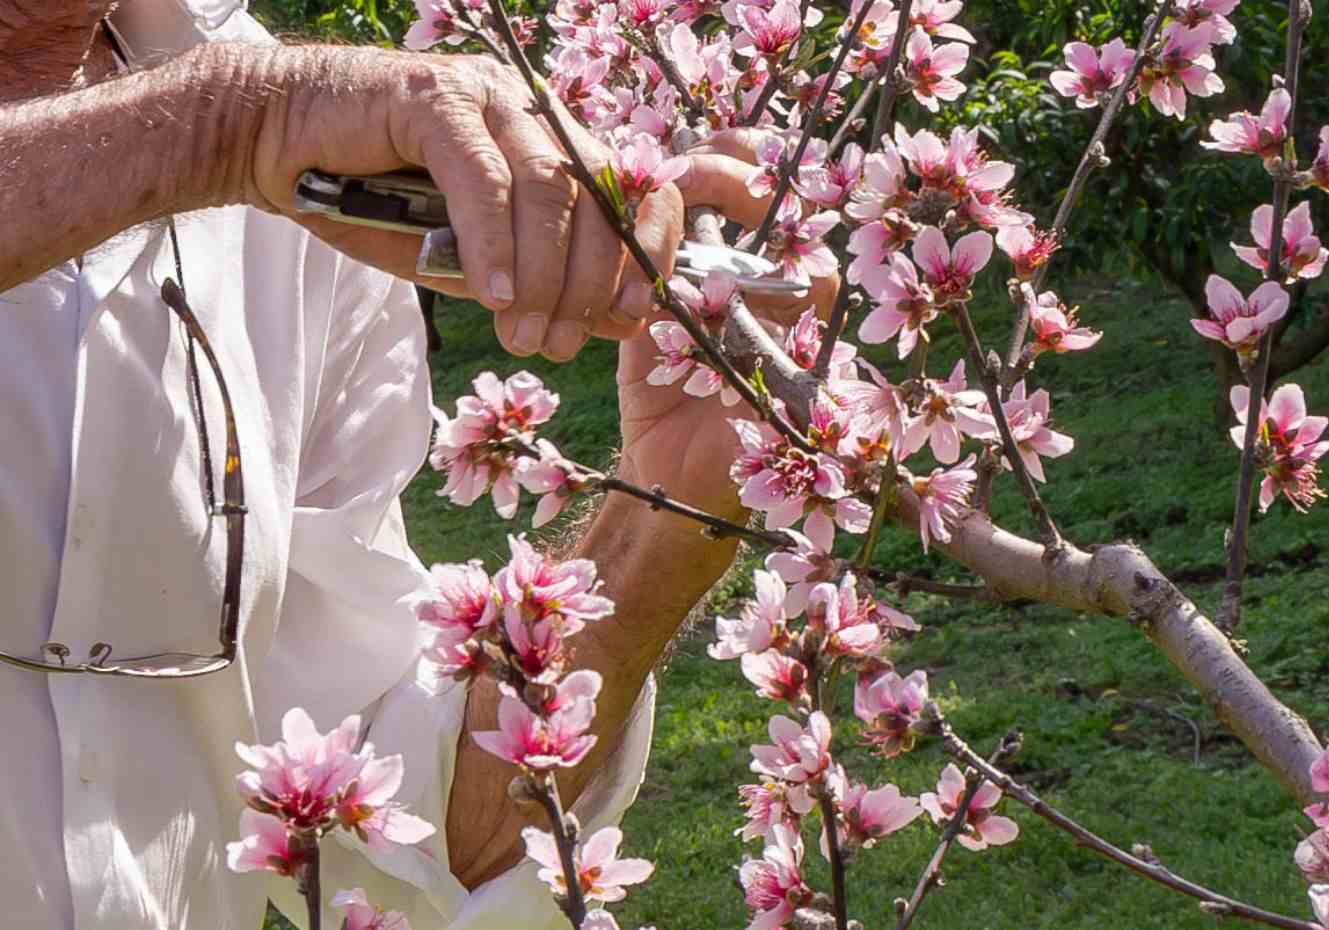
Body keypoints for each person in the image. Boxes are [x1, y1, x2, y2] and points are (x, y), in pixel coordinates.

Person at [0, 1, 833, 927]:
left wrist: (666, 515)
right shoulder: (259, 114)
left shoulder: (282, 132)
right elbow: (235, 121)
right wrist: (222, 128)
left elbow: (398, 820)